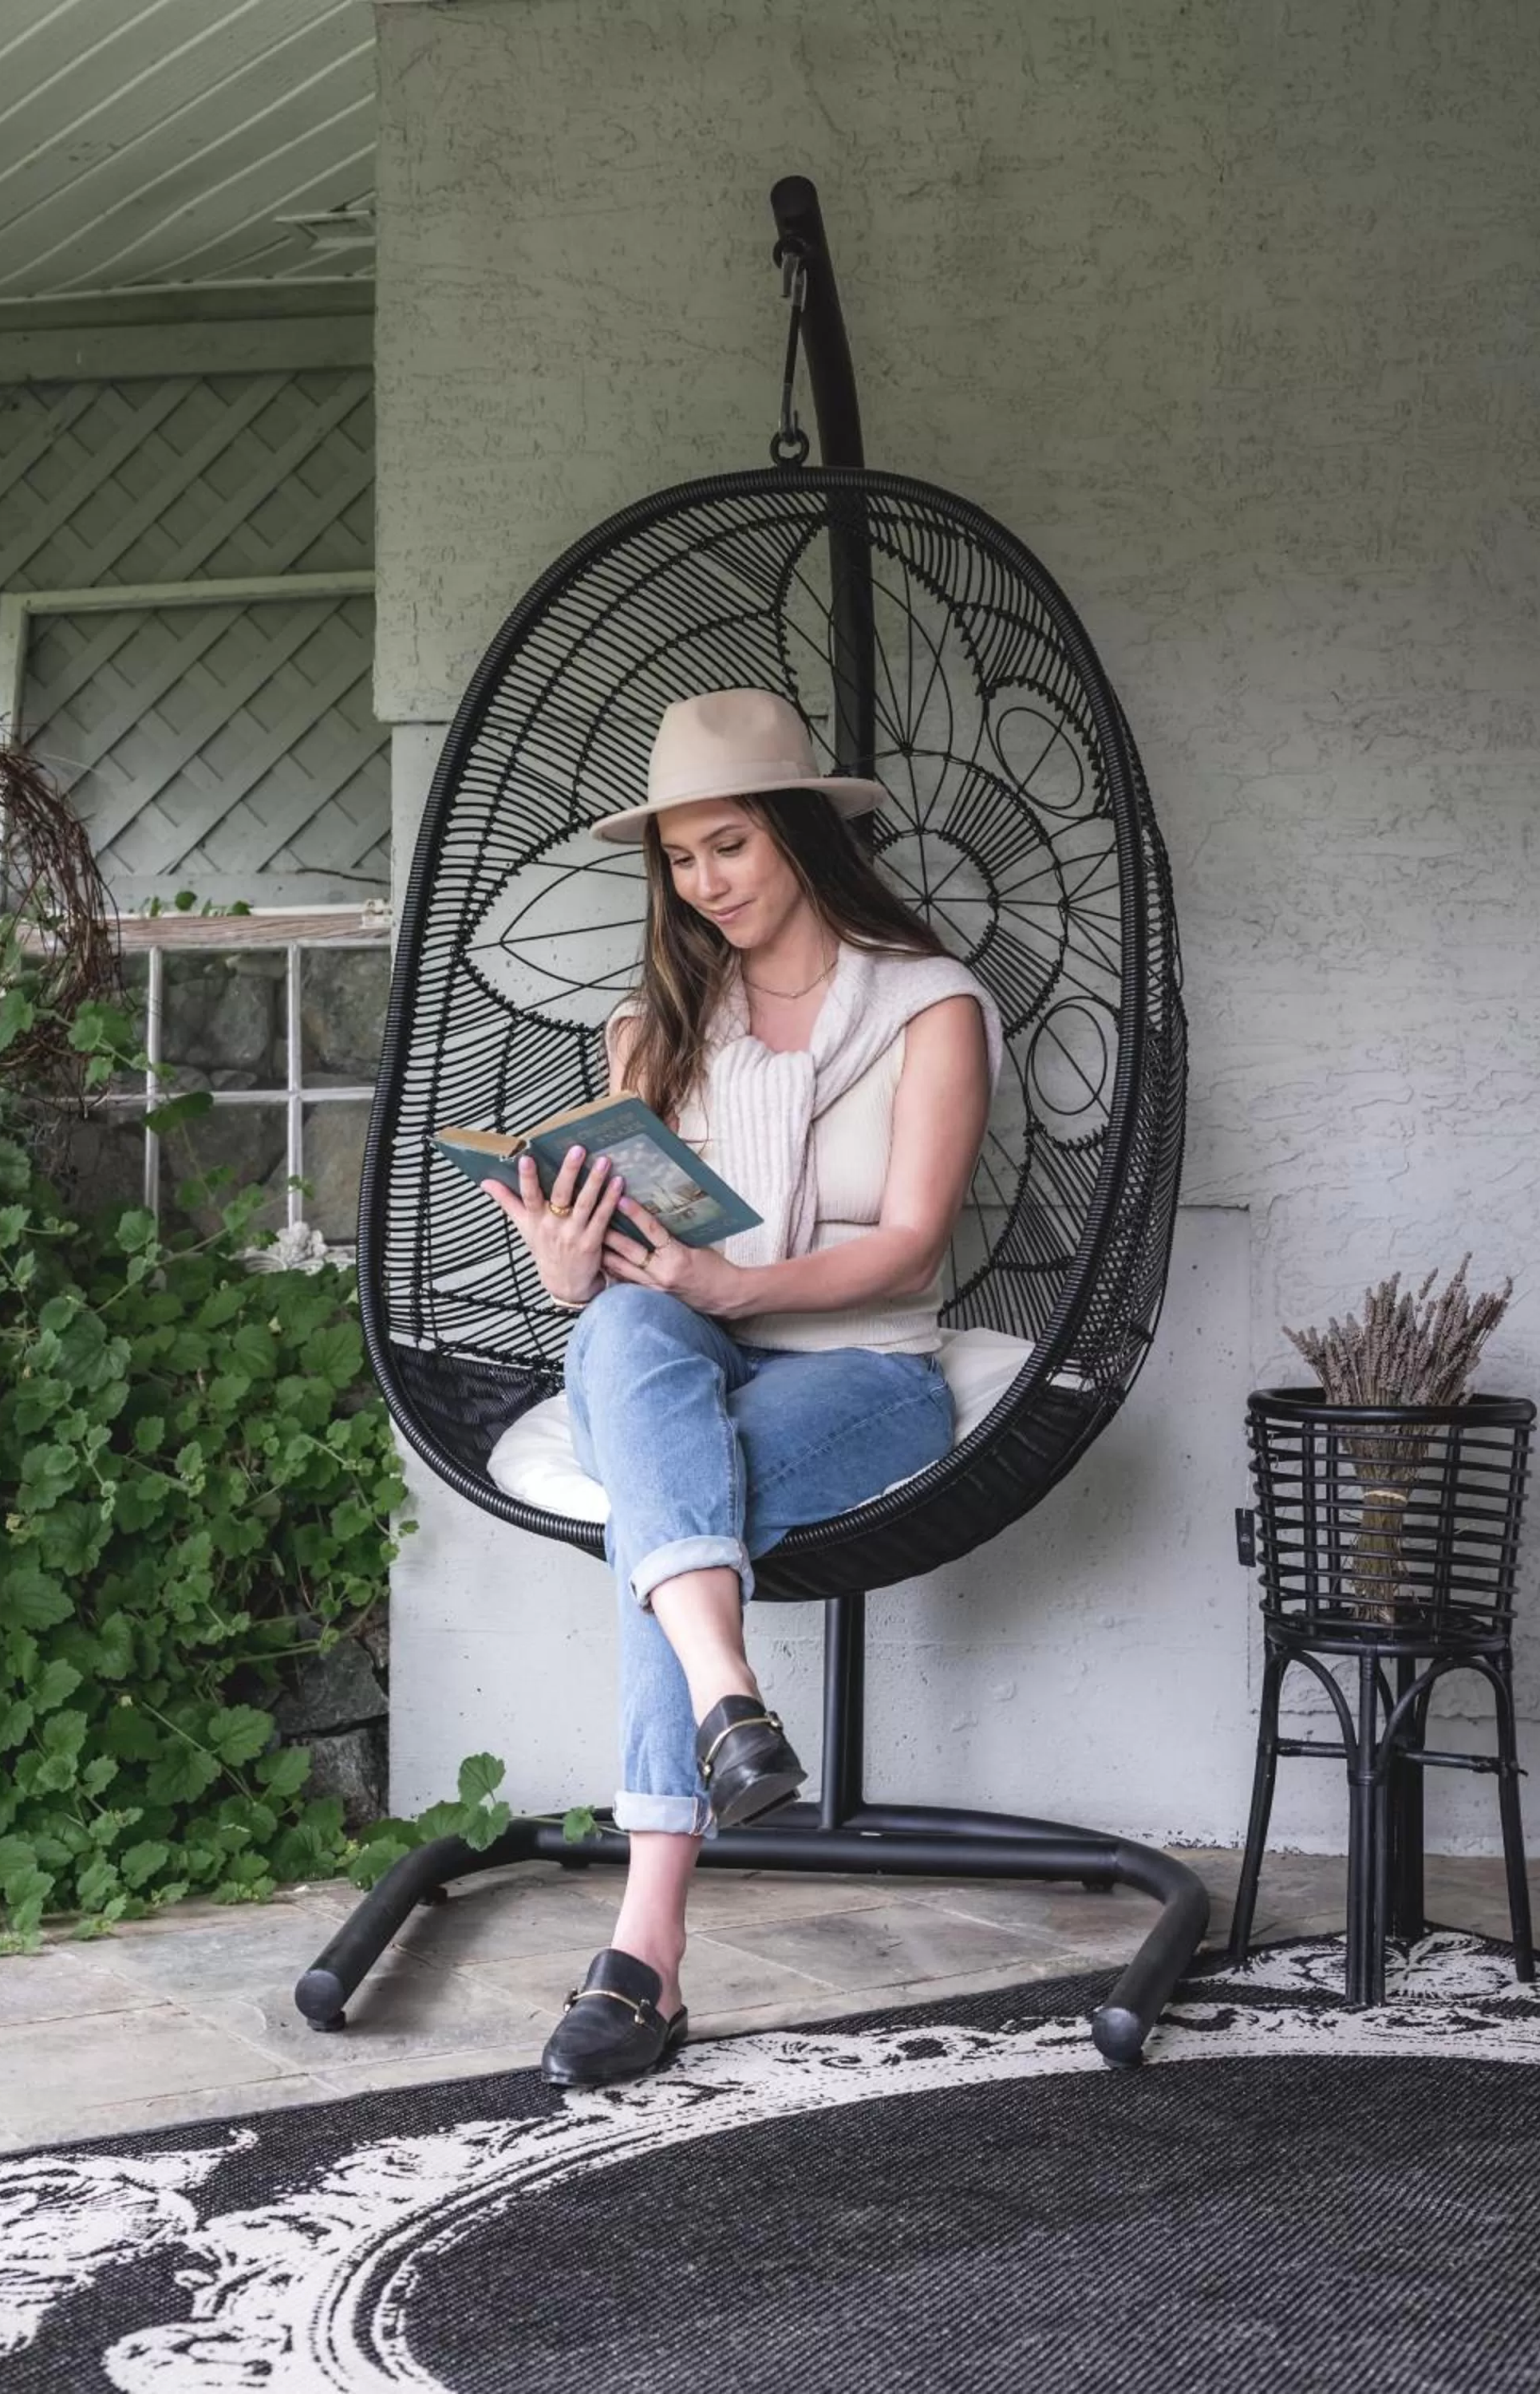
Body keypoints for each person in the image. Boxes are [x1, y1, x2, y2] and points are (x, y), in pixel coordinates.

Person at [483, 687, 1000, 2088]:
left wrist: (737, 1289)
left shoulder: (928, 1007)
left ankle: (643, 1950)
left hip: (864, 1368)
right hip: (678, 1345)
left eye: (730, 848)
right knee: (614, 1339)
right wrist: (569, 1261)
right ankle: (731, 1702)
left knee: (670, 1513)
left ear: (798, 837)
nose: (705, 886)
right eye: (682, 861)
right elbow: (634, 1283)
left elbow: (910, 1244)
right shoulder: (656, 1024)